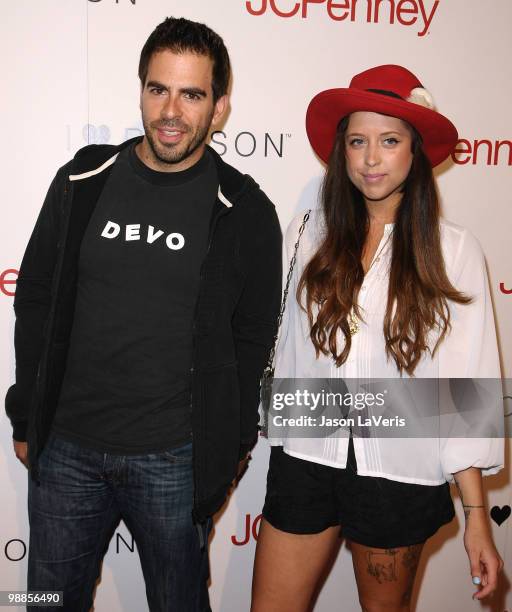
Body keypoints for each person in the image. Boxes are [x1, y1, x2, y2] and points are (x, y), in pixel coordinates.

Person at [5, 16, 281, 612]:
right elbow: (34, 296)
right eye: (158, 89)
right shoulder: (84, 178)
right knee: (49, 603)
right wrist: (28, 417)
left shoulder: (245, 209)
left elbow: (255, 334)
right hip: (66, 454)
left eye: (192, 94)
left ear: (220, 106)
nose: (171, 111)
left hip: (174, 462)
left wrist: (229, 445)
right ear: (140, 90)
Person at [251, 65, 504, 612]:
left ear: (414, 152)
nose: (370, 159)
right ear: (341, 151)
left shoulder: (453, 250)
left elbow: (462, 395)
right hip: (304, 456)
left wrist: (478, 522)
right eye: (358, 141)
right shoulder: (306, 233)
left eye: (389, 141)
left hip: (400, 468)